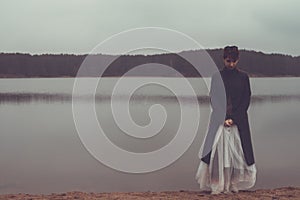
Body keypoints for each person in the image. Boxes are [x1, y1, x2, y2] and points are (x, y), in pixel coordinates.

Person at [195, 46, 257, 194]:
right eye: (229, 61)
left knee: (239, 154)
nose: (231, 64)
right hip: (219, 120)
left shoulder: (244, 77)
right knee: (217, 154)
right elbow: (214, 98)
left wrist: (234, 118)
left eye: (234, 61)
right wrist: (223, 117)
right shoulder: (217, 76)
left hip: (239, 122)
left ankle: (233, 184)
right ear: (224, 59)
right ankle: (218, 184)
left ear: (238, 60)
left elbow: (245, 98)